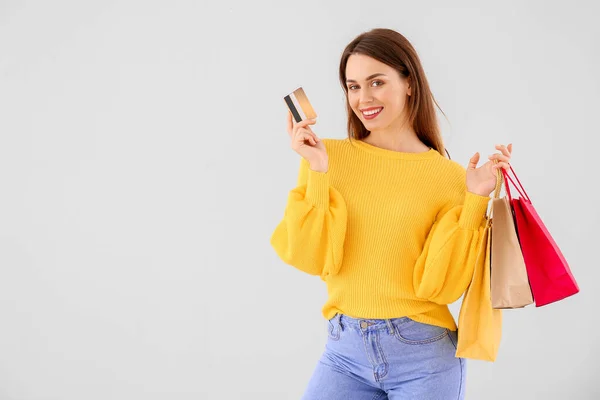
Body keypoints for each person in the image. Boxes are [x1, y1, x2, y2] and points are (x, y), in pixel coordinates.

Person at [270, 28, 512, 400]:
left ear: (409, 83)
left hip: (424, 355)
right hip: (343, 351)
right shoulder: (324, 157)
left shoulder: (449, 177)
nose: (363, 98)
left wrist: (475, 199)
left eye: (376, 82)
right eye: (353, 87)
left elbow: (445, 287)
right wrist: (318, 171)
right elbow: (311, 257)